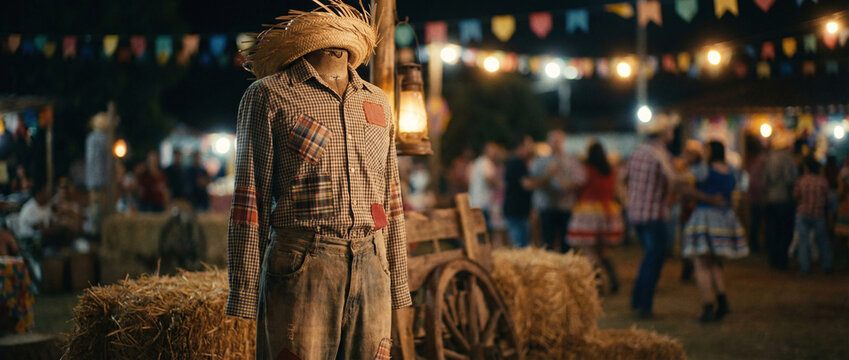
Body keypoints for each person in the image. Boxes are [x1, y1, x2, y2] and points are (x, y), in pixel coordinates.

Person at [227, 3, 411, 358]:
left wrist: (398, 279)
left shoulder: (377, 102)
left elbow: (392, 197)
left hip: (372, 261)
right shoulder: (270, 94)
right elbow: (250, 199)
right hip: (303, 262)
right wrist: (245, 291)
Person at [682, 141, 749, 323]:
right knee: (715, 263)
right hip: (724, 219)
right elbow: (737, 195)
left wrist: (706, 197)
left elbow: (685, 186)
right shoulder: (732, 171)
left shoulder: (703, 170)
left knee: (701, 263)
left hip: (704, 219)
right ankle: (722, 300)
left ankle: (708, 306)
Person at [626, 114, 679, 318]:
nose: (672, 134)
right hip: (654, 214)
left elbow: (623, 178)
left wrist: (628, 200)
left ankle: (637, 298)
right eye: (670, 131)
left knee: (649, 256)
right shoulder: (660, 153)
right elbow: (672, 180)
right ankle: (643, 305)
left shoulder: (637, 151)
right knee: (654, 258)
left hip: (636, 213)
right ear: (664, 133)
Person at [567, 141, 624, 294]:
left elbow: (575, 185)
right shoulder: (610, 170)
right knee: (603, 249)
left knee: (589, 250)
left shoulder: (585, 170)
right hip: (607, 210)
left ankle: (598, 285)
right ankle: (614, 280)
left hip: (588, 211)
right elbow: (617, 190)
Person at [531, 130, 585, 252]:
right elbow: (533, 182)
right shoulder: (541, 161)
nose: (555, 144)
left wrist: (560, 177)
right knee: (547, 242)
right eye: (553, 141)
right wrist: (548, 175)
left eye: (558, 141)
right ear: (548, 142)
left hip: (566, 207)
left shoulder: (572, 161)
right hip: (547, 207)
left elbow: (578, 181)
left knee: (567, 244)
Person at [793, 156, 833, 274]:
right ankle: (827, 265)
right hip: (818, 214)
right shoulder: (823, 181)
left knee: (803, 240)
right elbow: (828, 200)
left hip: (803, 213)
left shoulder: (802, 180)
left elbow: (795, 196)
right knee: (822, 240)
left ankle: (804, 267)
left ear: (807, 168)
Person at [764, 132, 797, 270]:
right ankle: (782, 260)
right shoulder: (787, 158)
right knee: (784, 231)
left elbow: (766, 178)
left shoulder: (770, 158)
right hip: (784, 199)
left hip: (771, 199)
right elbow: (790, 179)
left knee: (773, 230)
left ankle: (773, 259)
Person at [502, 135, 536, 248]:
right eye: (528, 144)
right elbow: (527, 185)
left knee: (521, 245)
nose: (531, 147)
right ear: (520, 146)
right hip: (516, 210)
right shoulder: (516, 162)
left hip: (518, 210)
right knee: (520, 246)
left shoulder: (518, 162)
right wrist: (547, 176)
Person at [469, 142, 502, 230]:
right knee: (484, 230)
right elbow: (489, 181)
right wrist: (502, 185)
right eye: (493, 150)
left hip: (476, 202)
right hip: (482, 203)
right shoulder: (486, 163)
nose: (495, 153)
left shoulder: (479, 162)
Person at [745, 140, 768, 253]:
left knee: (756, 223)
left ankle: (755, 246)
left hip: (756, 197)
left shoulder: (757, 163)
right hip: (761, 197)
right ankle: (757, 246)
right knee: (759, 223)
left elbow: (752, 181)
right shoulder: (762, 162)